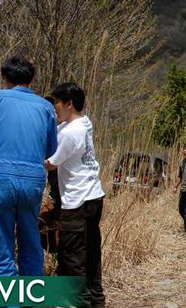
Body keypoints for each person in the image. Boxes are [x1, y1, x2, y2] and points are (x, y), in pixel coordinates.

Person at [0, 56, 58, 277]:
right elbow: (50, 150)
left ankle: (8, 301)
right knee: (30, 240)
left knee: (2, 245)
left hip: (0, 177)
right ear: (32, 79)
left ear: (5, 77)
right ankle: (31, 297)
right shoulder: (46, 106)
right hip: (32, 179)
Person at [44, 82, 106, 307]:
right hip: (94, 198)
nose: (55, 109)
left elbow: (50, 164)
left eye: (57, 103)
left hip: (76, 203)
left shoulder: (70, 134)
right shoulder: (84, 123)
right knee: (91, 256)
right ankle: (96, 301)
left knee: (72, 260)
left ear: (68, 104)